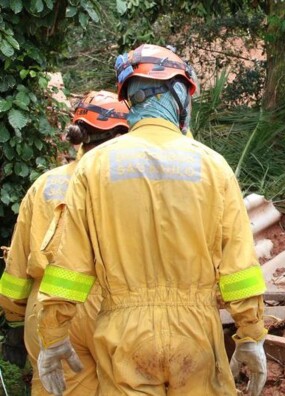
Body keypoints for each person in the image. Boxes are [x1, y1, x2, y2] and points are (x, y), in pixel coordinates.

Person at [35, 44, 267, 396]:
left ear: (131, 97)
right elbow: (240, 267)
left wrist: (53, 335)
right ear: (178, 93)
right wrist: (250, 334)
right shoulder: (212, 166)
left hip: (124, 337)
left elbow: (70, 267)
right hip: (196, 337)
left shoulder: (93, 168)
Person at [0, 90, 129, 394]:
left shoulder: (45, 185)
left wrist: (15, 326)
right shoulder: (132, 186)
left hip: (47, 310)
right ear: (125, 132)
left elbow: (17, 264)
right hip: (115, 310)